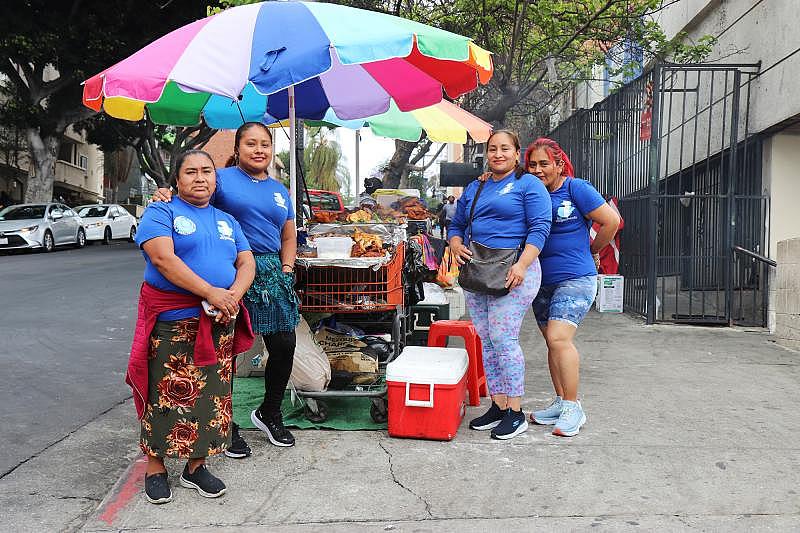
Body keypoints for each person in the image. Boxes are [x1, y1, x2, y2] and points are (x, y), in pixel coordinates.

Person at [153, 122, 301, 455]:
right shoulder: (221, 178)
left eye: (265, 144)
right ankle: (225, 423)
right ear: (237, 148)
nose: (259, 150)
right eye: (251, 143)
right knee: (227, 349)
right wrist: (165, 194)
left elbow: (288, 236)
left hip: (271, 271)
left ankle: (270, 412)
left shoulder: (280, 190)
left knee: (284, 343)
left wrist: (287, 268)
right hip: (229, 269)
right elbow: (192, 198)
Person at [129, 150, 256, 504]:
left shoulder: (227, 220)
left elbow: (246, 260)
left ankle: (195, 466)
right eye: (190, 172)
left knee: (212, 396)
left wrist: (231, 295)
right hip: (174, 322)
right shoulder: (162, 210)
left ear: (215, 180)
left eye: (206, 172)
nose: (200, 178)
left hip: (219, 319)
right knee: (164, 392)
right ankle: (155, 466)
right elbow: (162, 259)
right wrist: (211, 292)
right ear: (177, 180)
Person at [448, 130, 552, 440]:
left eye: (505, 148)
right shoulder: (476, 186)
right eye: (492, 149)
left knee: (504, 339)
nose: (498, 154)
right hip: (478, 270)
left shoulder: (529, 185)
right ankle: (498, 404)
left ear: (517, 153)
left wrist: (522, 265)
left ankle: (516, 411)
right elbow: (457, 224)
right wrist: (454, 243)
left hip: (515, 270)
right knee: (488, 341)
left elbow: (540, 228)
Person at [524, 138, 620, 437]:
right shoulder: (530, 193)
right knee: (552, 343)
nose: (538, 170)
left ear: (559, 164)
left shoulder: (575, 188)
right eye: (533, 164)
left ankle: (573, 406)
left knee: (558, 337)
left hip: (576, 277)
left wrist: (594, 249)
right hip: (541, 281)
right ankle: (559, 401)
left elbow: (611, 221)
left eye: (544, 164)